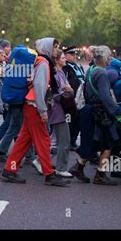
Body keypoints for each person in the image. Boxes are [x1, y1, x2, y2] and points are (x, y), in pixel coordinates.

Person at [1, 37, 70, 187]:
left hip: (30, 105)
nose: (57, 50)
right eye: (55, 47)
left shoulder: (39, 61)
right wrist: (43, 110)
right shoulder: (44, 64)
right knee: (43, 140)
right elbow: (39, 87)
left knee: (24, 140)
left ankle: (9, 170)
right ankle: (49, 174)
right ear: (46, 48)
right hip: (34, 106)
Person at [88, 46, 121, 185]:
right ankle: (100, 174)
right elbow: (105, 97)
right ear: (103, 57)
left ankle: (79, 167)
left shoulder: (91, 69)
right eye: (109, 56)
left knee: (96, 142)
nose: (111, 58)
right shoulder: (102, 73)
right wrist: (118, 110)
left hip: (93, 110)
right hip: (103, 113)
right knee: (109, 143)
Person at [49, 49, 74, 177]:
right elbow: (55, 95)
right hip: (57, 110)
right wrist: (68, 91)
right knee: (64, 140)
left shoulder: (62, 73)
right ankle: (61, 168)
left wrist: (69, 91)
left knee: (57, 140)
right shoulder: (55, 75)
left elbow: (69, 90)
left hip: (62, 109)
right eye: (63, 58)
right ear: (56, 60)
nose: (65, 59)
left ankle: (40, 161)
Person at [63, 46, 85, 150]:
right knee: (70, 121)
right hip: (70, 99)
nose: (74, 56)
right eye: (72, 54)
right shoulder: (65, 67)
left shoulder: (77, 66)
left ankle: (73, 140)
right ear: (66, 55)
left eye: (74, 54)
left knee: (77, 121)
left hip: (79, 98)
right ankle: (67, 142)